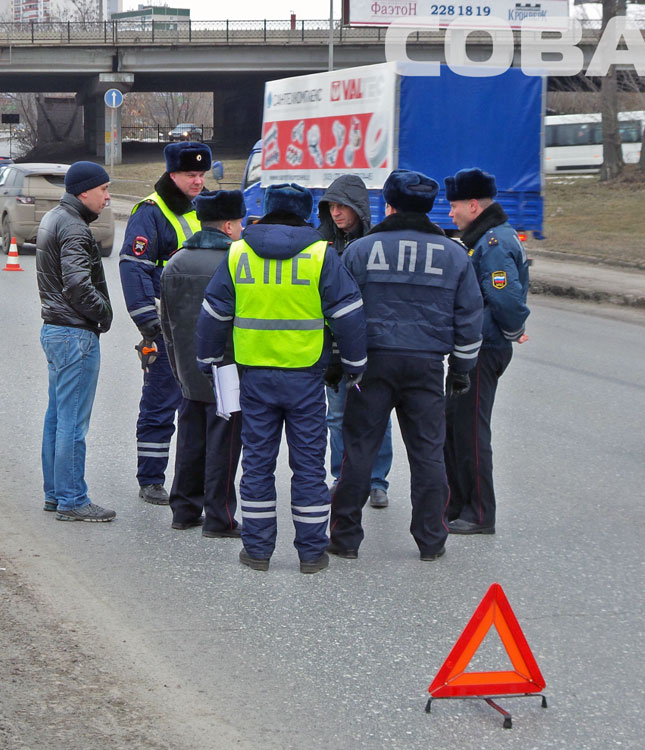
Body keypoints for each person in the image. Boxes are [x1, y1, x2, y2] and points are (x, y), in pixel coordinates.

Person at [197, 184, 368, 574]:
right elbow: (348, 313)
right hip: (306, 378)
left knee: (257, 464)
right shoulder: (320, 254)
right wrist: (354, 364)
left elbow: (213, 312)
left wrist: (207, 360)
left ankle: (257, 551)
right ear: (306, 214)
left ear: (266, 209)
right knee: (308, 467)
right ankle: (311, 554)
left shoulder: (238, 252)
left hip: (254, 377)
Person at [328, 169, 483, 561]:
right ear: (430, 208)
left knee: (358, 450)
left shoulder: (361, 250)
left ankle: (345, 538)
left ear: (389, 206)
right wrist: (462, 369)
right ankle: (431, 541)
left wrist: (338, 360)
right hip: (427, 367)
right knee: (429, 453)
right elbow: (469, 316)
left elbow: (338, 311)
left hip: (370, 366)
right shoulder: (453, 254)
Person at [120, 141, 211, 506]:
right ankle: (151, 478)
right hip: (164, 326)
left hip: (201, 324)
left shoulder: (201, 209)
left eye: (202, 175)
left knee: (197, 406)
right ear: (172, 174)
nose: (198, 181)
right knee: (159, 403)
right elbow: (133, 267)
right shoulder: (150, 213)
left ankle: (192, 479)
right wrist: (147, 322)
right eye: (191, 175)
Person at [443, 167, 531, 535]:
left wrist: (514, 329)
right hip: (474, 346)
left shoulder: (493, 242)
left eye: (455, 206)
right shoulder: (485, 237)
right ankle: (458, 504)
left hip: (485, 347)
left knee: (471, 432)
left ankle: (480, 513)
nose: (450, 213)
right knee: (454, 427)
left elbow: (505, 298)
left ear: (474, 205)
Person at [159, 190, 246, 538]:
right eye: (239, 223)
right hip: (226, 366)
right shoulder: (237, 262)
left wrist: (177, 363)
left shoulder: (177, 261)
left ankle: (183, 508)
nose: (241, 229)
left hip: (187, 364)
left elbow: (166, 321)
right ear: (227, 225)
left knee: (190, 437)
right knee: (224, 442)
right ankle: (220, 517)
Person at [35, 161, 116, 522]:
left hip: (55, 329)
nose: (108, 196)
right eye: (103, 190)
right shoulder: (74, 227)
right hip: (74, 333)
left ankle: (55, 494)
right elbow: (78, 284)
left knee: (57, 417)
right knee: (72, 423)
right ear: (84, 191)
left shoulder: (55, 217)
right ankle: (72, 500)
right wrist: (104, 314)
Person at [317, 176, 394, 509]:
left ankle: (377, 482)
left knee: (376, 414)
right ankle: (342, 477)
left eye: (341, 206)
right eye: (331, 206)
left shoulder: (376, 244)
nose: (336, 213)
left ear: (358, 208)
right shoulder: (321, 245)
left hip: (370, 343)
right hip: (332, 344)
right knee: (335, 416)